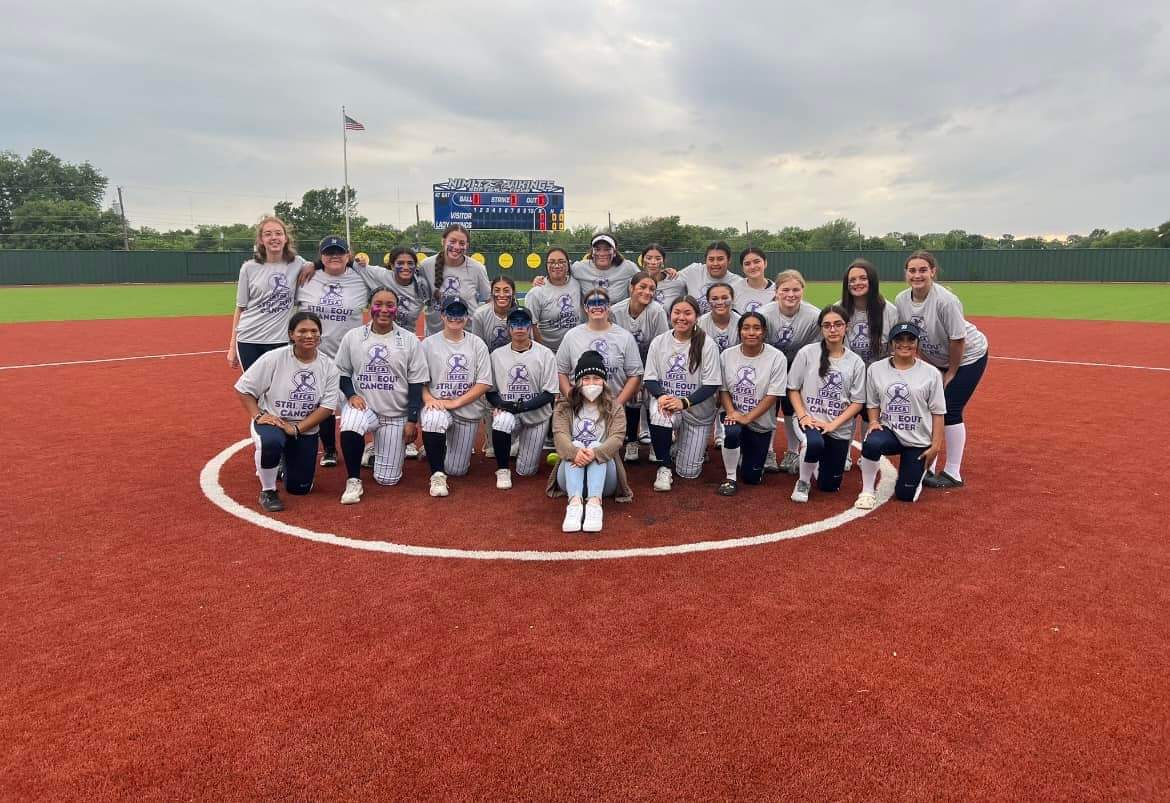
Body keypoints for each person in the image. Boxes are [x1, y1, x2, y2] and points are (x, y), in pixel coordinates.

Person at [894, 250, 990, 489]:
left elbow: (958, 339)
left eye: (923, 270)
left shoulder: (946, 301)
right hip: (936, 359)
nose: (917, 275)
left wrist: (951, 372)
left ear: (933, 272)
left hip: (967, 357)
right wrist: (929, 366)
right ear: (906, 273)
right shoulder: (902, 300)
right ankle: (929, 466)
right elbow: (911, 335)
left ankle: (953, 473)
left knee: (950, 410)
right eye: (912, 270)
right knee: (928, 409)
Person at [234, 311, 339, 512]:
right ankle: (268, 490)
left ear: (320, 334)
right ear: (291, 334)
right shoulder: (274, 358)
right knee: (271, 443)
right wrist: (258, 415)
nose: (309, 335)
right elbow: (243, 388)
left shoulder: (328, 366)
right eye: (302, 331)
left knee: (299, 489)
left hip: (304, 428)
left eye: (314, 331)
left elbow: (327, 408)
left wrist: (297, 429)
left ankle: (284, 462)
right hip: (274, 421)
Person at [333, 287, 429, 504]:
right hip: (365, 408)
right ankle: (353, 479)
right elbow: (342, 372)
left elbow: (416, 382)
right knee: (351, 422)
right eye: (378, 304)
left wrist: (412, 420)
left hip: (395, 415)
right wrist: (351, 395)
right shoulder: (353, 337)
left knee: (388, 479)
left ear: (396, 309)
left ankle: (374, 449)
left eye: (390, 305)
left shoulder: (409, 339)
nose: (384, 310)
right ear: (369, 307)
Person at [295, 235, 373, 467]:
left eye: (339, 252)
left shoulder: (360, 277)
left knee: (359, 399)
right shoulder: (307, 277)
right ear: (321, 256)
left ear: (348, 255)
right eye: (329, 253)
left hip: (351, 353)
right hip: (316, 353)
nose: (334, 256)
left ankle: (370, 443)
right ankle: (329, 449)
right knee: (321, 402)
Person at [855, 322, 946, 508]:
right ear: (891, 343)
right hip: (891, 432)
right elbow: (872, 403)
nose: (905, 344)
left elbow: (938, 412)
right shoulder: (876, 369)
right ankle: (867, 491)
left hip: (918, 438)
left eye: (910, 340)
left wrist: (936, 446)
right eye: (899, 340)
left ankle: (916, 472)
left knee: (905, 495)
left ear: (917, 343)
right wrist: (873, 421)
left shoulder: (931, 373)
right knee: (872, 443)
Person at [786, 305, 866, 503]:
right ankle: (803, 481)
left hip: (838, 427)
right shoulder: (807, 353)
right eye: (827, 325)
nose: (833, 329)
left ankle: (814, 462)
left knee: (830, 486)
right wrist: (803, 416)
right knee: (813, 443)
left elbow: (857, 402)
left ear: (847, 327)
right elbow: (793, 389)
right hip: (810, 420)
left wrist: (832, 425)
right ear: (821, 328)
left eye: (838, 324)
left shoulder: (856, 362)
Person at [644, 296, 721, 491]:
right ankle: (664, 467)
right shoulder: (659, 342)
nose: (681, 317)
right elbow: (650, 379)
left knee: (688, 472)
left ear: (697, 316)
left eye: (687, 313)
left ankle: (677, 446)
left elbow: (711, 385)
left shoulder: (707, 344)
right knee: (660, 414)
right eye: (677, 312)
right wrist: (662, 396)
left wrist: (684, 402)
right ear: (670, 315)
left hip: (696, 411)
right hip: (669, 404)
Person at [418, 298, 493, 497]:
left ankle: (439, 446)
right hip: (438, 405)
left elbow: (484, 382)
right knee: (433, 419)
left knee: (457, 470)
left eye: (460, 313)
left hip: (466, 410)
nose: (455, 317)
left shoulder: (477, 344)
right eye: (450, 313)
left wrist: (456, 402)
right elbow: (418, 381)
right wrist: (428, 399)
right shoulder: (428, 344)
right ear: (442, 315)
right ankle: (436, 475)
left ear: (467, 317)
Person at [550, 350, 630, 533]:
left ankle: (594, 504)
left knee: (595, 445)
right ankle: (574, 505)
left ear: (604, 382)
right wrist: (575, 452)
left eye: (596, 378)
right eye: (586, 379)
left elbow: (617, 439)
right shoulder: (564, 407)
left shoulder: (615, 408)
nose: (591, 383)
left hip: (605, 481)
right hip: (569, 477)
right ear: (578, 382)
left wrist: (594, 453)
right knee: (576, 445)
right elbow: (560, 436)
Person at [486, 308, 559, 489]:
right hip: (509, 412)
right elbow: (490, 391)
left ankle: (519, 444)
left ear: (530, 327)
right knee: (501, 420)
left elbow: (550, 393)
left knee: (526, 471)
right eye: (515, 323)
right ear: (509, 327)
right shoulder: (496, 355)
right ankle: (503, 469)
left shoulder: (545, 354)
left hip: (536, 416)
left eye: (524, 323)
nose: (520, 327)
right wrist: (501, 404)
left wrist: (521, 406)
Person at [716, 312, 787, 495]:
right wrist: (732, 412)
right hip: (733, 413)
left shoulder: (777, 357)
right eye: (746, 328)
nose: (751, 332)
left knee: (751, 477)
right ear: (739, 331)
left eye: (756, 328)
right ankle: (730, 477)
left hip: (760, 421)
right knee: (732, 432)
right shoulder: (727, 355)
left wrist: (747, 417)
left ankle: (745, 456)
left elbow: (773, 395)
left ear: (764, 331)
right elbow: (723, 390)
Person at [760, 269, 822, 474]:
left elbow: (817, 348)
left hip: (798, 364)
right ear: (776, 291)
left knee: (791, 407)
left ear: (803, 290)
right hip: (770, 364)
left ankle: (792, 451)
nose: (791, 294)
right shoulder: (764, 314)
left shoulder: (814, 315)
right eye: (785, 290)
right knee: (769, 405)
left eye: (796, 290)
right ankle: (768, 451)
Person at [227, 216, 308, 370]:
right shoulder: (249, 268)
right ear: (261, 240)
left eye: (278, 233)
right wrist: (232, 346)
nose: (274, 238)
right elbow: (240, 308)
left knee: (281, 384)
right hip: (249, 340)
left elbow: (322, 265)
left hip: (282, 340)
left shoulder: (297, 263)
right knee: (254, 385)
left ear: (285, 238)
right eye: (268, 234)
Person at [839, 258, 898, 471]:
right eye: (852, 280)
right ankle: (843, 453)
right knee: (845, 412)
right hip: (848, 372)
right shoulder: (839, 308)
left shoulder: (888, 310)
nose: (857, 283)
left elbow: (894, 346)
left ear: (872, 280)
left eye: (862, 278)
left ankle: (867, 452)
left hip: (877, 372)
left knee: (869, 413)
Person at [610, 271, 668, 462]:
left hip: (652, 363)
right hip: (625, 365)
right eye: (642, 287)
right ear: (631, 288)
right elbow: (614, 344)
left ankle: (654, 444)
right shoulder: (616, 311)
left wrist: (646, 378)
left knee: (651, 400)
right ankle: (632, 441)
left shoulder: (657, 311)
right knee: (631, 400)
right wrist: (632, 378)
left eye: (652, 289)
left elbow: (660, 347)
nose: (647, 292)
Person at [555, 287, 643, 409]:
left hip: (614, 405)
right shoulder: (572, 336)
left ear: (609, 306)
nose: (597, 307)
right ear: (585, 308)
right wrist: (571, 397)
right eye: (592, 303)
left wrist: (617, 405)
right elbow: (560, 371)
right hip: (580, 407)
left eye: (601, 303)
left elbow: (634, 375)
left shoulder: (625, 337)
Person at [419, 224, 491, 336]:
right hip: (435, 336)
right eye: (452, 241)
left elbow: (489, 301)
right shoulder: (426, 266)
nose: (457, 247)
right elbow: (418, 299)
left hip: (467, 335)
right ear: (443, 241)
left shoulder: (477, 268)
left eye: (462, 243)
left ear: (467, 245)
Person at [531, 234, 639, 304]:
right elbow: (560, 273)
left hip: (618, 325)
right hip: (588, 326)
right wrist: (542, 279)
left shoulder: (628, 267)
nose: (602, 253)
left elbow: (644, 280)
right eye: (597, 249)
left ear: (614, 252)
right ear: (592, 252)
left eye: (607, 249)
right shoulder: (579, 268)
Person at [697, 282, 740, 448]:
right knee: (705, 404)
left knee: (727, 402)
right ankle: (701, 442)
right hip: (706, 370)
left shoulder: (740, 322)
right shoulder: (701, 323)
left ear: (733, 299)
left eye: (724, 297)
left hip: (732, 371)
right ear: (708, 301)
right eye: (714, 298)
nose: (720, 302)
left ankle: (721, 433)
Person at [522, 247, 582, 354]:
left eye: (561, 261)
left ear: (568, 264)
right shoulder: (536, 293)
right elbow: (532, 326)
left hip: (575, 348)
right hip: (548, 351)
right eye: (552, 262)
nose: (557, 265)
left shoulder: (578, 283)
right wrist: (542, 353)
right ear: (546, 265)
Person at [669, 241, 746, 315]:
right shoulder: (693, 271)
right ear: (705, 260)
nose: (715, 263)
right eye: (711, 259)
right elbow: (669, 281)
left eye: (720, 259)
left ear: (729, 260)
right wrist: (667, 272)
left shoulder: (738, 283)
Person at [640, 244, 685, 310]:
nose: (653, 262)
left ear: (663, 261)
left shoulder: (676, 281)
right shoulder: (636, 282)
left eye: (658, 259)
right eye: (649, 258)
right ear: (642, 260)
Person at [736, 247, 777, 313]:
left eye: (756, 262)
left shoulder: (777, 291)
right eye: (747, 264)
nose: (752, 267)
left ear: (765, 263)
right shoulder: (734, 289)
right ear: (742, 268)